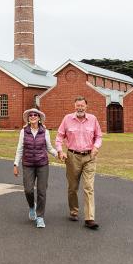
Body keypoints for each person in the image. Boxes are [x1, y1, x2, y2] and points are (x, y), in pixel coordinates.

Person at [56, 96, 102, 230]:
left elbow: (98, 136)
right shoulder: (67, 119)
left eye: (82, 105)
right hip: (72, 157)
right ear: (74, 106)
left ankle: (89, 218)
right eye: (77, 105)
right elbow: (59, 137)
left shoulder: (93, 119)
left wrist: (96, 147)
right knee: (72, 188)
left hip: (90, 157)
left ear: (86, 107)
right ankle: (74, 211)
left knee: (89, 187)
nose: (80, 108)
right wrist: (60, 151)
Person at [14, 108, 58, 228]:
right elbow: (20, 149)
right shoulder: (24, 132)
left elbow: (49, 148)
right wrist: (15, 164)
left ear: (39, 118)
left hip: (42, 164)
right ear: (28, 118)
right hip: (28, 164)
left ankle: (40, 217)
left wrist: (58, 154)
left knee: (41, 191)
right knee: (28, 190)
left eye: (35, 115)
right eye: (30, 115)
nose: (32, 116)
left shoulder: (45, 131)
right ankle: (32, 207)